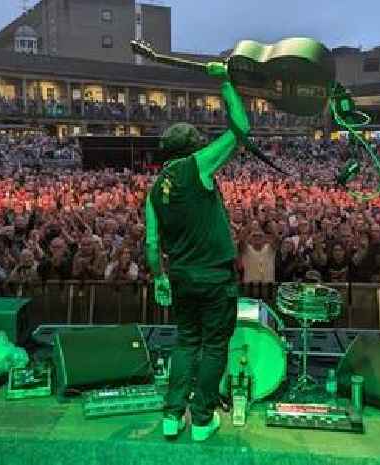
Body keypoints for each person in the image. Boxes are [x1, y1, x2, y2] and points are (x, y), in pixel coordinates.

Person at [145, 61, 249, 442]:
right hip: (214, 277)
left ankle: (173, 415)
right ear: (193, 147)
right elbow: (241, 129)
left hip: (181, 278)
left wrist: (159, 277)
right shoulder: (197, 166)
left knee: (185, 343)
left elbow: (152, 244)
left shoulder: (155, 188)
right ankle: (202, 418)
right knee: (213, 345)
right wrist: (225, 84)